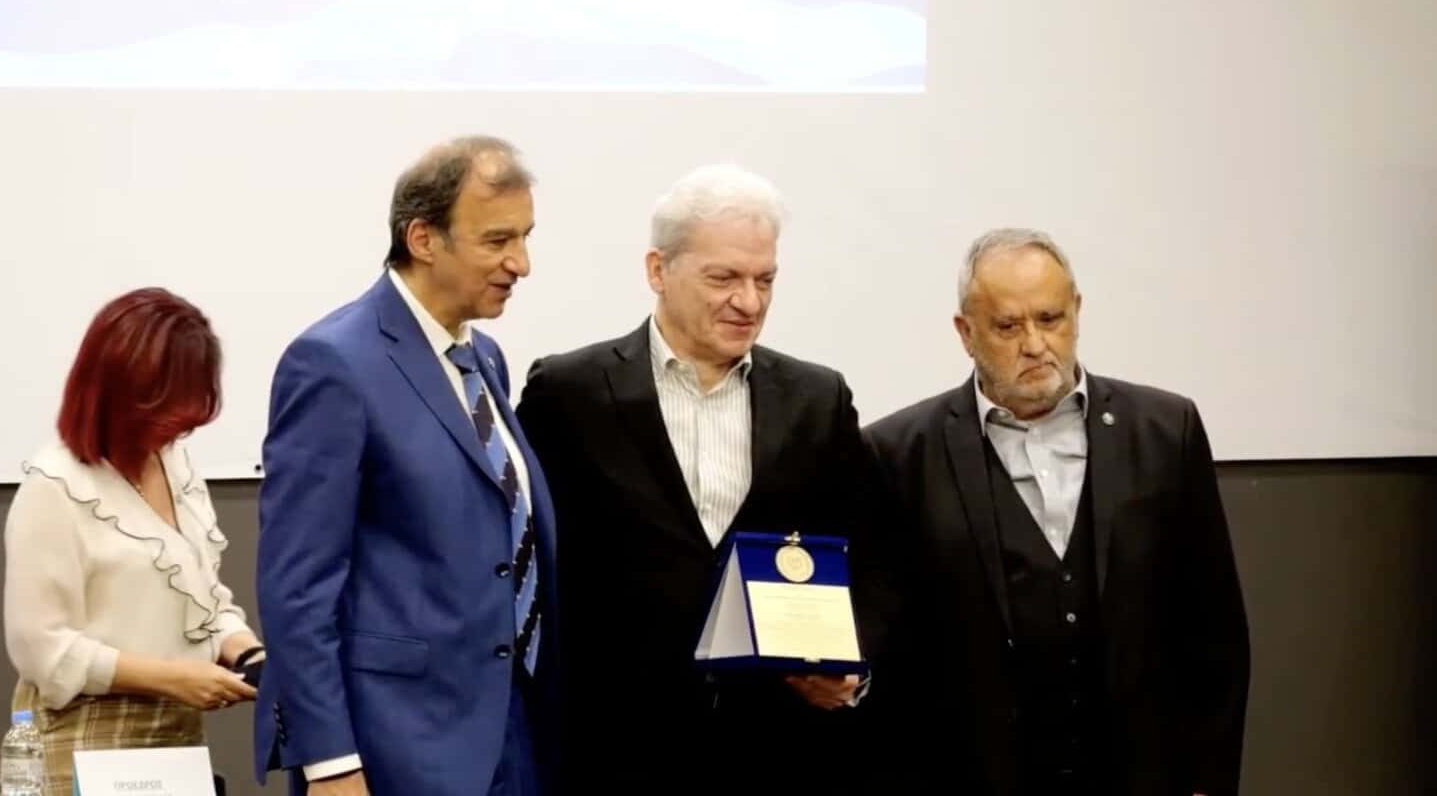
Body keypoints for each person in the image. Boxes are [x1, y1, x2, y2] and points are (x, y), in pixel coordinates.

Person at [516, 163, 873, 794]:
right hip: (611, 753)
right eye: (724, 278)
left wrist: (854, 664)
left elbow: (872, 557)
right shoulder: (568, 393)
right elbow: (527, 562)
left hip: (777, 752)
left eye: (765, 279)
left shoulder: (818, 400)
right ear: (658, 270)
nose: (750, 302)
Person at [861, 228, 1251, 795]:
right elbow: (893, 653)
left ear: (1077, 312)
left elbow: (1214, 628)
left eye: (1050, 319)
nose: (1035, 344)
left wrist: (1206, 782)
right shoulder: (899, 453)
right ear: (966, 333)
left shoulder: (1165, 431)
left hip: (1139, 773)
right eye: (1008, 326)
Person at [253, 135, 558, 796]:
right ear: (423, 239)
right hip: (394, 751)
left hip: (510, 736)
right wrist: (329, 761)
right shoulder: (333, 364)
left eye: (525, 237)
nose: (521, 263)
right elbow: (297, 588)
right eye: (497, 240)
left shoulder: (485, 359)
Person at [3, 287, 263, 796]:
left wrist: (248, 653)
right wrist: (173, 678)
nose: (178, 429)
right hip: (80, 739)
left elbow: (205, 602)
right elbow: (42, 649)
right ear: (118, 394)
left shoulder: (175, 465)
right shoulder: (54, 488)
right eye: (168, 410)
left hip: (177, 737)